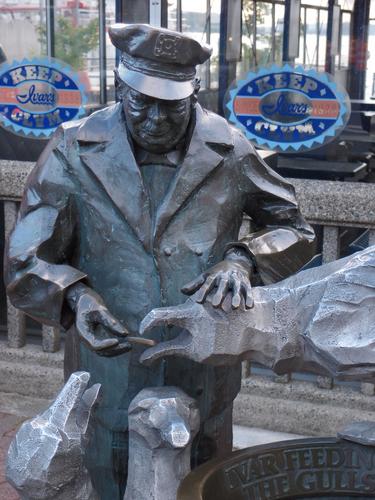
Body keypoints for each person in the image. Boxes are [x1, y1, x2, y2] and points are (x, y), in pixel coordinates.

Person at [4, 24, 315, 499]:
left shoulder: (229, 149)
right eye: (141, 103)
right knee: (110, 472)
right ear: (120, 88)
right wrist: (76, 296)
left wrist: (243, 259)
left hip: (206, 361)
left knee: (206, 480)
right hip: (108, 363)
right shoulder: (73, 147)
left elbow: (295, 228)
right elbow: (27, 256)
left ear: (193, 96)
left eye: (170, 106)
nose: (154, 119)